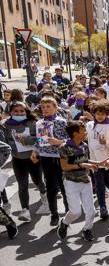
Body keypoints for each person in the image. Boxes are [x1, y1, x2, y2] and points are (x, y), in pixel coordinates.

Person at [1, 102, 48, 222]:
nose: (19, 113)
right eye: (15, 111)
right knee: (22, 185)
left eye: (21, 111)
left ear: (26, 111)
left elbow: (42, 139)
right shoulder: (6, 125)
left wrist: (29, 141)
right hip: (17, 159)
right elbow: (4, 142)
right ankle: (25, 211)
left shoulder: (33, 123)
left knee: (38, 181)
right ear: (10, 112)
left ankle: (44, 195)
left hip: (33, 158)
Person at [57, 121, 99, 242]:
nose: (86, 132)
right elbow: (65, 167)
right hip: (71, 182)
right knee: (75, 212)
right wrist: (82, 165)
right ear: (75, 133)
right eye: (83, 131)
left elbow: (86, 161)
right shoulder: (64, 147)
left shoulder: (84, 145)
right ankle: (64, 222)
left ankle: (87, 230)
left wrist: (101, 163)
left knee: (91, 211)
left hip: (85, 181)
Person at [32, 97, 69, 227]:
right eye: (43, 107)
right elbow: (38, 140)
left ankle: (68, 214)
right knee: (51, 188)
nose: (46, 109)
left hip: (60, 157)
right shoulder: (39, 123)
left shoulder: (62, 122)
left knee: (64, 187)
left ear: (55, 107)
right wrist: (35, 151)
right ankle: (54, 214)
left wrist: (59, 142)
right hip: (45, 157)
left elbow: (70, 140)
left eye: (48, 106)